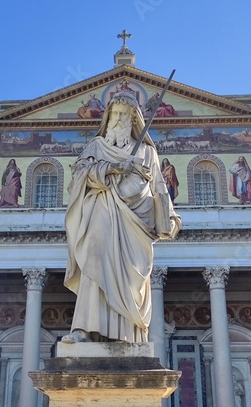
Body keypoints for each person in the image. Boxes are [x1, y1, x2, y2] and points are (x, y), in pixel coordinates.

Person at [62, 91, 181, 343]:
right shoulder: (96, 147)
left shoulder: (148, 152)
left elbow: (159, 186)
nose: (118, 119)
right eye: (114, 113)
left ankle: (126, 334)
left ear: (133, 119)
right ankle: (84, 328)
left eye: (124, 114)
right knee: (93, 262)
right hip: (100, 214)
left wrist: (169, 216)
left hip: (136, 224)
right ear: (107, 117)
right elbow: (78, 178)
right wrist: (114, 167)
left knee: (131, 277)